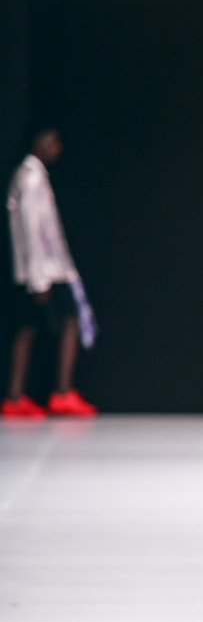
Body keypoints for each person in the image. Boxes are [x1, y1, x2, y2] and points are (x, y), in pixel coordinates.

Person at [3, 126, 98, 419]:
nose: (57, 147)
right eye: (52, 140)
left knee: (30, 326)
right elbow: (32, 231)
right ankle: (59, 392)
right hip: (44, 272)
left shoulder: (33, 175)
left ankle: (19, 395)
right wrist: (39, 279)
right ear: (37, 141)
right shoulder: (31, 177)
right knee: (61, 321)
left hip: (44, 270)